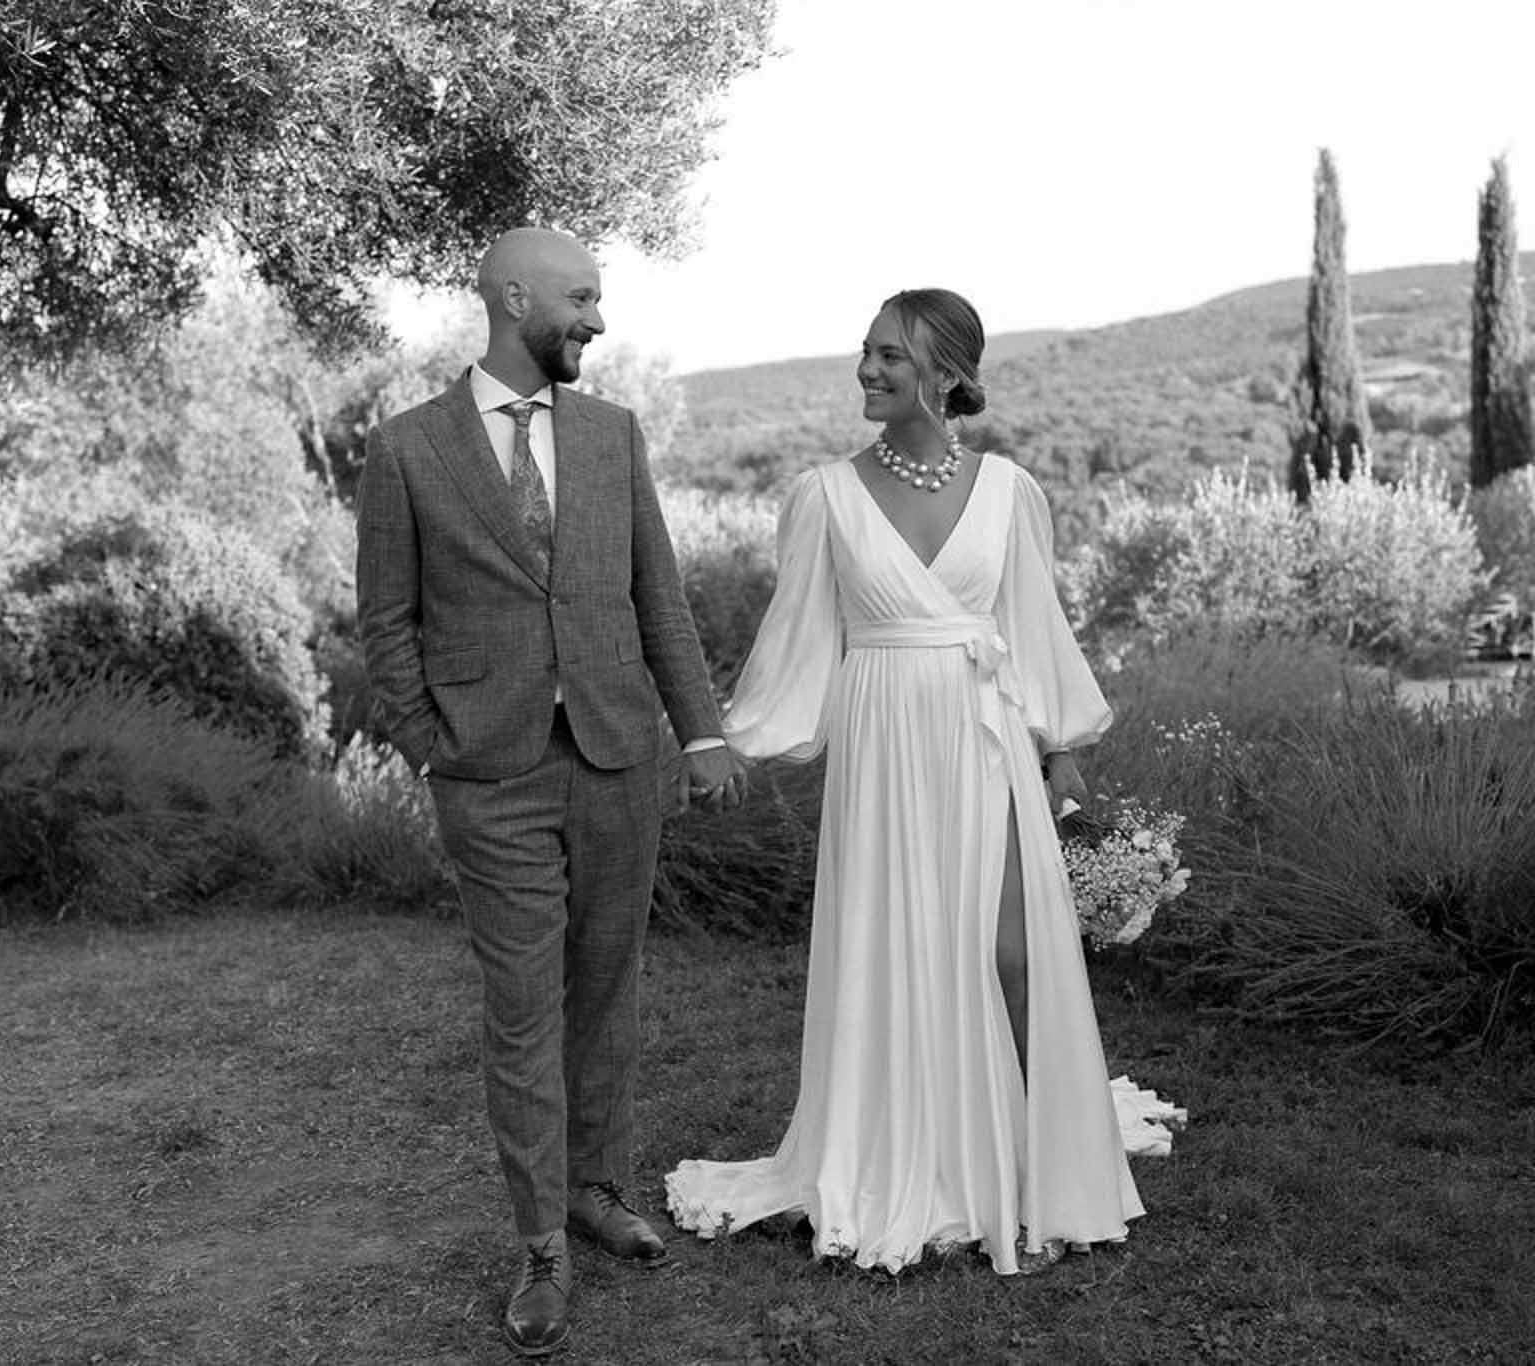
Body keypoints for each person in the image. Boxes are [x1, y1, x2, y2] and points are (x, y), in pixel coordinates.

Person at [664, 288, 1181, 1275]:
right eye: (864, 353)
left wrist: (1059, 741)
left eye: (890, 357)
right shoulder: (822, 495)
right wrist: (731, 739)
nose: (867, 370)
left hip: (983, 732)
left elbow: (1032, 625)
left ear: (946, 374)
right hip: (883, 743)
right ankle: (913, 1157)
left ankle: (1036, 1162)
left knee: (1014, 953)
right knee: (896, 948)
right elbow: (796, 642)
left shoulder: (1009, 490)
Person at [356, 227, 747, 1357]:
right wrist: (435, 743)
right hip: (492, 775)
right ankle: (540, 1247)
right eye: (580, 296)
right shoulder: (406, 448)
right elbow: (387, 622)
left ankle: (595, 1184)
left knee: (606, 989)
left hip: (619, 757)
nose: (596, 318)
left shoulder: (613, 435)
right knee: (523, 1011)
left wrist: (702, 731)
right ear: (511, 295)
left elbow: (655, 596)